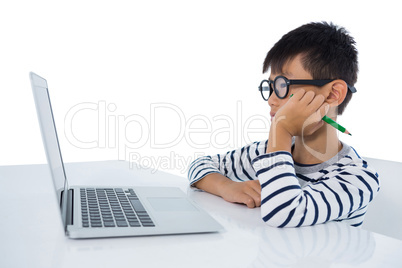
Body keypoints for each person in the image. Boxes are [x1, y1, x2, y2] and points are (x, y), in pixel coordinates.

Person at [187, 22, 380, 228]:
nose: (271, 99)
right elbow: (198, 166)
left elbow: (284, 213)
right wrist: (227, 187)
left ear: (333, 94)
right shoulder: (265, 151)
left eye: (282, 85)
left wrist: (282, 129)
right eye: (270, 87)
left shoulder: (357, 178)